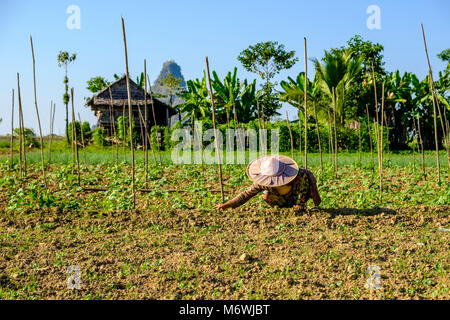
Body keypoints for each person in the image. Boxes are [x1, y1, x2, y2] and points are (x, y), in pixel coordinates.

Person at [215, 154, 321, 211]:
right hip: (282, 199)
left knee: (303, 177)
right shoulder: (263, 182)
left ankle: (300, 206)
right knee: (266, 196)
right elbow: (246, 194)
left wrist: (315, 192)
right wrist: (227, 205)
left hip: (297, 195)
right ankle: (284, 210)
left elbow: (308, 173)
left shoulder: (294, 174)